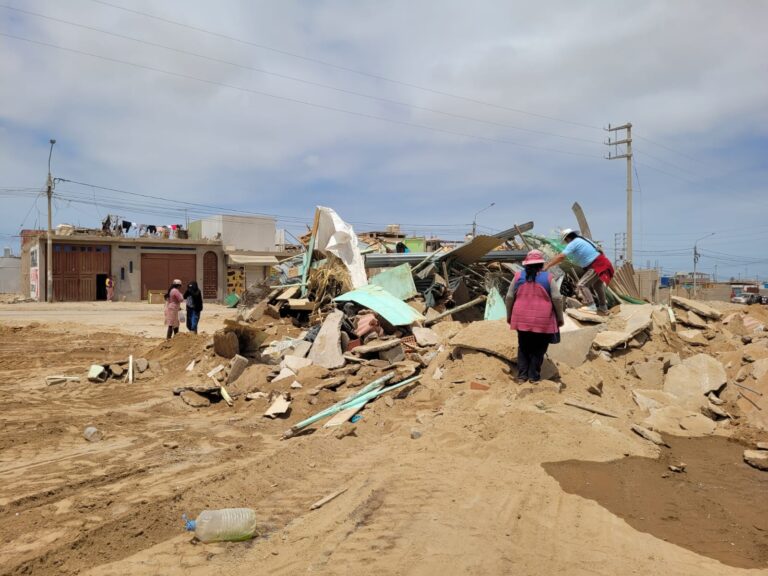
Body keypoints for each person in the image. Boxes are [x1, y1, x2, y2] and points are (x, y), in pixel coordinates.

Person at [505, 249, 564, 383]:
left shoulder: (518, 276)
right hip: (543, 320)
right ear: (541, 264)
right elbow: (557, 298)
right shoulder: (548, 278)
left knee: (524, 347)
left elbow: (509, 297)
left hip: (521, 318)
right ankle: (533, 376)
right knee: (538, 348)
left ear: (526, 264)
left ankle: (521, 376)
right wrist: (560, 318)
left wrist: (510, 315)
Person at [543, 228, 614, 316]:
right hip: (603, 262)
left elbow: (561, 257)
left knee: (581, 285)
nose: (566, 243)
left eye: (565, 241)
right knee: (597, 285)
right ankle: (603, 307)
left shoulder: (573, 243)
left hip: (596, 264)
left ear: (567, 238)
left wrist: (548, 265)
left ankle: (591, 306)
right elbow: (599, 249)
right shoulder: (583, 240)